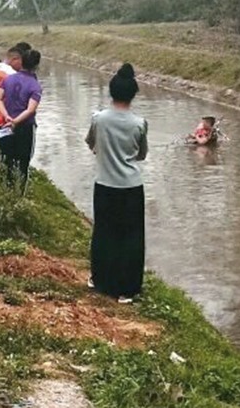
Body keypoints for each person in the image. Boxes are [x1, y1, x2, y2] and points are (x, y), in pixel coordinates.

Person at [85, 63, 149, 302]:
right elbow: (141, 155)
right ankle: (128, 290)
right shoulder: (140, 123)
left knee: (104, 232)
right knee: (131, 237)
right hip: (132, 187)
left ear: (111, 92)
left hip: (104, 185)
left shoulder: (98, 119)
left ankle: (101, 280)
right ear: (133, 94)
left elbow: (91, 144)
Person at [0, 48, 42, 188]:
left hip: (6, 124)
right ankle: (19, 192)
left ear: (21, 62)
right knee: (24, 160)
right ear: (36, 66)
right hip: (25, 127)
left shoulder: (8, 79)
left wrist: (7, 117)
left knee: (8, 157)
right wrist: (15, 121)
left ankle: (6, 187)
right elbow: (30, 110)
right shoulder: (35, 86)